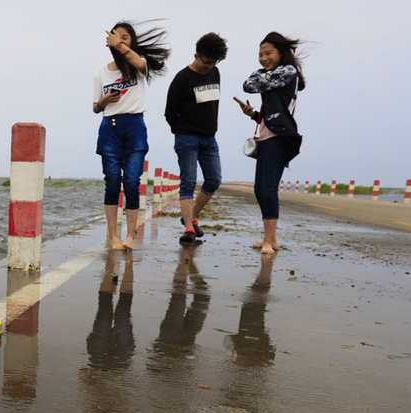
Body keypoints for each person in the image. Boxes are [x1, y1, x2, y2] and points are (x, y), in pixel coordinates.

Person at [93, 21, 170, 251]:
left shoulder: (139, 66)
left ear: (131, 42)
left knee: (132, 183)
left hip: (135, 126)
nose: (122, 41)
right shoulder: (101, 72)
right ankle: (113, 236)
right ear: (109, 42)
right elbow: (95, 108)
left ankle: (130, 236)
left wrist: (121, 46)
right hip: (110, 128)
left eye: (126, 38)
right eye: (118, 37)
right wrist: (104, 101)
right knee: (113, 181)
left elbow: (138, 61)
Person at [237, 32, 305, 254]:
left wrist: (258, 77)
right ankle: (271, 239)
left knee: (268, 189)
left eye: (268, 53)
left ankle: (269, 241)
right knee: (259, 190)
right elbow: (251, 87)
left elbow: (250, 84)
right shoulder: (273, 77)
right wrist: (252, 114)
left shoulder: (288, 71)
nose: (263, 58)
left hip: (280, 138)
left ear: (281, 53)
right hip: (267, 137)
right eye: (260, 54)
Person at [165, 32, 228, 245]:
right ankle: (189, 228)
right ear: (196, 55)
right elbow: (169, 113)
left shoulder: (215, 73)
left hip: (210, 139)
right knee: (188, 182)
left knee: (214, 179)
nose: (209, 66)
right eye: (206, 62)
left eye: (213, 63)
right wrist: (182, 131)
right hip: (187, 138)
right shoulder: (182, 79)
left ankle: (189, 217)